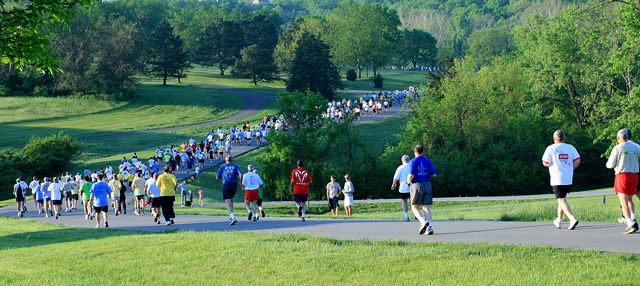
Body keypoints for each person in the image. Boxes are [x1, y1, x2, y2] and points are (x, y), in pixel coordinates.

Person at [542, 130, 580, 230]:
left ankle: (572, 219)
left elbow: (545, 162)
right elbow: (577, 160)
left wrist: (549, 164)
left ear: (554, 138)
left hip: (557, 178)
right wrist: (570, 169)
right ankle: (558, 221)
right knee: (562, 199)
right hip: (568, 178)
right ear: (564, 138)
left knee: (561, 200)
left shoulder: (551, 148)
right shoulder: (570, 147)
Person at [606, 129, 640, 234]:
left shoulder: (617, 148)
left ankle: (630, 223)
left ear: (618, 138)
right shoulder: (636, 147)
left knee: (623, 201)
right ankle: (633, 218)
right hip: (634, 175)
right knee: (630, 199)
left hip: (622, 175)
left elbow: (610, 164)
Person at [406, 144, 437, 235]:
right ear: (422, 152)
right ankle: (430, 226)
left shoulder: (412, 162)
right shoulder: (427, 161)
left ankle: (423, 223)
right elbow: (434, 174)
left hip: (417, 184)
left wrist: (408, 183)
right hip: (427, 184)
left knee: (414, 206)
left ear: (414, 152)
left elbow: (410, 175)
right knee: (426, 207)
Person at [216, 155, 243, 225]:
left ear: (226, 160)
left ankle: (232, 216)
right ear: (232, 160)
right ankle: (231, 217)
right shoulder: (235, 166)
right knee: (231, 200)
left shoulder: (222, 166)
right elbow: (241, 174)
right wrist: (241, 182)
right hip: (234, 185)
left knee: (227, 201)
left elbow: (217, 177)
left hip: (226, 184)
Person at [392, 155, 412, 221]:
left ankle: (407, 216)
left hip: (403, 188)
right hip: (412, 187)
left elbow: (396, 177)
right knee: (413, 201)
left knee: (404, 202)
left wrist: (394, 184)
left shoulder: (400, 168)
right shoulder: (412, 167)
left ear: (402, 160)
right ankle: (416, 214)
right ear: (409, 160)